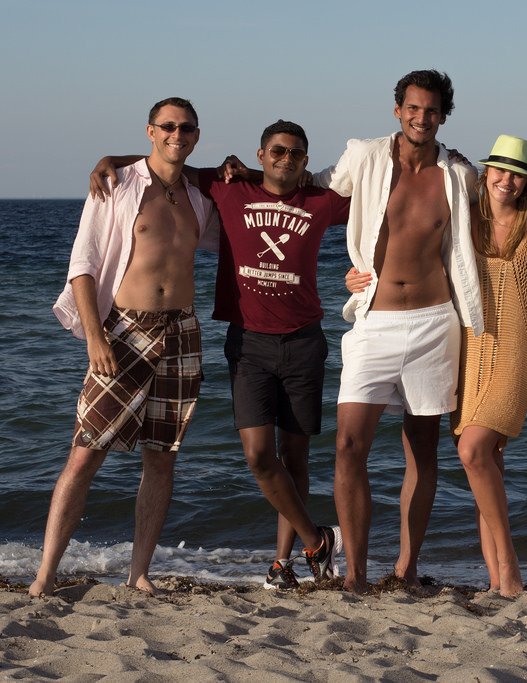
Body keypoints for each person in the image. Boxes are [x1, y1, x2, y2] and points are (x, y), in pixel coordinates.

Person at [88, 121, 350, 590]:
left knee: (296, 456)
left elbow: (379, 205)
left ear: (306, 160)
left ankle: (283, 564)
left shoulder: (321, 202)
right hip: (248, 342)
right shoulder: (228, 189)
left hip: (305, 341)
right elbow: (168, 162)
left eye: (295, 154)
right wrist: (115, 160)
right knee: (258, 456)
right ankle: (317, 540)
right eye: (277, 151)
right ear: (261, 153)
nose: (285, 160)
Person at [347, 134, 527, 597]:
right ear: (485, 173)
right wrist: (360, 274)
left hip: (518, 344)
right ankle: (496, 578)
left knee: (473, 452)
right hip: (469, 342)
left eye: (517, 174)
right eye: (499, 170)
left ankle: (511, 568)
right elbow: (406, 243)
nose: (507, 180)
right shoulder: (467, 219)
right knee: (488, 462)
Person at [30, 97, 219, 597]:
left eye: (187, 128)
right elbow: (82, 267)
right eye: (168, 126)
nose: (177, 134)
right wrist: (96, 337)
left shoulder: (200, 198)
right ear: (150, 131)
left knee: (162, 457)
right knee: (86, 451)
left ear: (197, 135)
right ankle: (46, 574)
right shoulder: (115, 185)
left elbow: (246, 217)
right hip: (124, 331)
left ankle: (138, 574)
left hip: (182, 332)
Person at [313, 69, 483, 593]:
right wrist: (234, 173)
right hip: (376, 320)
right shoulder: (364, 156)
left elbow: (501, 218)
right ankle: (356, 573)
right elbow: (305, 184)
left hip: (436, 323)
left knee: (423, 452)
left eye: (431, 110)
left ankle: (406, 568)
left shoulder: (459, 174)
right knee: (348, 446)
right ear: (397, 110)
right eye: (412, 108)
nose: (421, 118)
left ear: (443, 115)